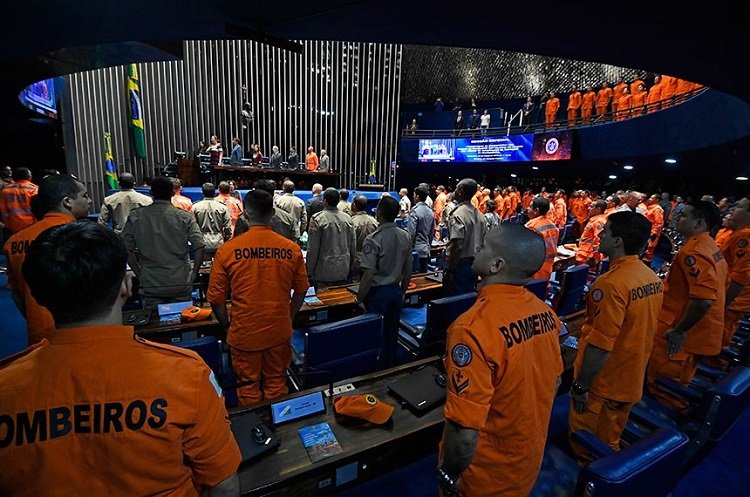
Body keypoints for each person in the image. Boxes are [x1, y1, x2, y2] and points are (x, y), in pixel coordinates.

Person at [0, 221, 241, 496]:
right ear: (126, 287)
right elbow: (224, 485)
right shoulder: (187, 375)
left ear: (38, 297)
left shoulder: (6, 388)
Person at [438, 223, 563, 497]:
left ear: (496, 265)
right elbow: (554, 382)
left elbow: (464, 434)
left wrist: (449, 473)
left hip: (485, 474)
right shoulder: (546, 314)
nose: (477, 249)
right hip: (527, 459)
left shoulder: (471, 329)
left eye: (483, 246)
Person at [569, 212, 663, 462]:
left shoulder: (611, 284)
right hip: (630, 376)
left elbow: (600, 346)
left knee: (589, 450)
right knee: (610, 436)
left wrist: (581, 386)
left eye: (606, 232)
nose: (600, 235)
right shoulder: (651, 277)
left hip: (603, 383)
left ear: (618, 241)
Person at [208, 189, 308, 407]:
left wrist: (226, 325)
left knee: (248, 388)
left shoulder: (227, 251)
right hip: (279, 330)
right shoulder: (291, 249)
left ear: (245, 214)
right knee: (277, 384)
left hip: (244, 332)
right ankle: (280, 423)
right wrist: (289, 317)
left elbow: (216, 299)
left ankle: (255, 424)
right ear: (272, 213)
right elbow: (301, 291)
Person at [647, 200, 727, 411]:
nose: (677, 218)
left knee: (663, 385)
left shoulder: (694, 252)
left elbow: (704, 300)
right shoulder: (710, 246)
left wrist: (679, 330)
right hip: (696, 328)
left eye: (684, 216)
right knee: (677, 378)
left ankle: (662, 425)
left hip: (680, 331)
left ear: (698, 223)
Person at [3, 174, 92, 346]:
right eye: (85, 195)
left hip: (39, 333)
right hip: (82, 335)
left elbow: (17, 295)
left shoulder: (13, 243)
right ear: (67, 202)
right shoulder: (83, 236)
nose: (89, 201)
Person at [122, 176, 205, 308]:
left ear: (151, 193)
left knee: (153, 318)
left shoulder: (136, 216)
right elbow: (199, 246)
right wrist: (194, 273)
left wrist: (139, 274)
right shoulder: (184, 217)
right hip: (180, 280)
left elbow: (126, 249)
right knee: (183, 316)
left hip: (151, 282)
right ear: (172, 193)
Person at [357, 196, 412, 368]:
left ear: (379, 213)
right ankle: (390, 364)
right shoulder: (405, 236)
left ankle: (375, 368)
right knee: (392, 332)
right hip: (395, 290)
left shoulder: (373, 239)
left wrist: (359, 298)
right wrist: (403, 292)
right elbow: (408, 269)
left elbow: (368, 274)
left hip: (377, 293)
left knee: (375, 333)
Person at [306, 187, 356, 289]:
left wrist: (309, 270)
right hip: (343, 269)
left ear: (324, 201)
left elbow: (313, 249)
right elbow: (353, 245)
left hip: (323, 271)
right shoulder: (348, 219)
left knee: (323, 298)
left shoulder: (317, 219)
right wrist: (349, 264)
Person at [444, 178, 486, 295]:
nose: (454, 191)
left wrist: (450, 269)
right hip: (475, 264)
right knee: (469, 298)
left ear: (460, 191)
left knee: (455, 299)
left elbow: (457, 245)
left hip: (459, 265)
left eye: (456, 188)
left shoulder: (458, 214)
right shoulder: (481, 216)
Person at [719, 196, 750, 348]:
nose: (732, 209)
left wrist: (722, 304)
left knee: (715, 339)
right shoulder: (736, 232)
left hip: (732, 301)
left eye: (739, 207)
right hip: (729, 297)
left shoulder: (746, 235)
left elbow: (741, 276)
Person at [192, 182, 231, 257]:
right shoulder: (222, 207)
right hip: (219, 241)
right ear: (215, 192)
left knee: (204, 264)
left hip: (202, 242)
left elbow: (193, 227)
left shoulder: (195, 207)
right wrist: (226, 239)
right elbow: (227, 227)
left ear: (202, 192)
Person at [525, 196, 559, 281]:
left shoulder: (532, 226)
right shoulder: (553, 226)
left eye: (530, 207)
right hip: (547, 266)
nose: (527, 209)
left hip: (533, 268)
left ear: (536, 210)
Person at [0, 167, 38, 234]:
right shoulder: (34, 189)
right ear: (28, 176)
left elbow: (3, 211)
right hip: (32, 225)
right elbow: (38, 209)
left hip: (13, 227)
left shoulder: (5, 190)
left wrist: (8, 225)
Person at [407, 186, 435, 273]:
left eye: (414, 195)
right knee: (423, 275)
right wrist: (428, 245)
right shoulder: (430, 211)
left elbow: (411, 233)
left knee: (414, 276)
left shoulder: (414, 211)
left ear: (417, 196)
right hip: (426, 249)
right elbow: (431, 232)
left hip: (415, 250)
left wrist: (408, 248)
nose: (413, 197)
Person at [572, 199, 608, 265]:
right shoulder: (595, 220)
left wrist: (594, 256)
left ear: (598, 209)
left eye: (591, 206)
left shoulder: (598, 221)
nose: (588, 208)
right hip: (584, 252)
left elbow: (599, 240)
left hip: (587, 255)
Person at [350, 194, 378, 276]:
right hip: (371, 259)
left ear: (354, 205)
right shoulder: (374, 221)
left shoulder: (351, 222)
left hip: (355, 260)